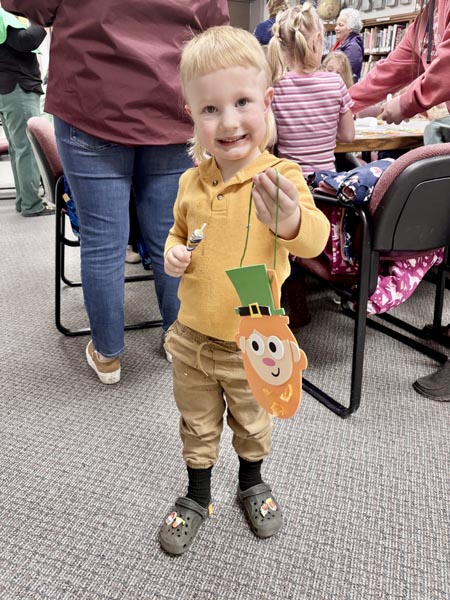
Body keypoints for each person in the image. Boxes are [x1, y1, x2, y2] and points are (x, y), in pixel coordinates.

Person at [159, 25, 330, 555]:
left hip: (256, 339)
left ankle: (251, 481)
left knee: (253, 422)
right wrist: (172, 252)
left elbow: (316, 240)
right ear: (191, 114)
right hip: (192, 339)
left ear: (267, 101)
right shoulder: (190, 182)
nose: (229, 122)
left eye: (242, 102)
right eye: (210, 109)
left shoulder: (281, 175)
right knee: (196, 423)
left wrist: (290, 221)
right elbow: (178, 233)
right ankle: (197, 494)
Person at [3, 0, 229, 384]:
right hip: (171, 105)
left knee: (103, 242)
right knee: (170, 236)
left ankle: (108, 355)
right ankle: (179, 341)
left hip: (91, 100)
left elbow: (29, 6)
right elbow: (215, 28)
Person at [349, 0, 450, 402]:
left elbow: (444, 68)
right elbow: (393, 67)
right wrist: (342, 103)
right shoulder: (425, 15)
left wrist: (404, 103)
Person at [268, 3, 355, 178]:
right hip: (325, 187)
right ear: (316, 41)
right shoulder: (336, 83)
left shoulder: (276, 86)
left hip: (288, 185)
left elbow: (270, 140)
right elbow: (347, 135)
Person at [0, 8, 53, 217]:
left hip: (8, 89)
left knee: (18, 148)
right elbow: (25, 41)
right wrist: (44, 19)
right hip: (17, 88)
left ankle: (25, 200)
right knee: (26, 149)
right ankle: (32, 204)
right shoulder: (3, 14)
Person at [331, 8, 364, 84]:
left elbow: (346, 74)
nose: (336, 28)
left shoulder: (353, 48)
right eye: (336, 25)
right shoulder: (340, 44)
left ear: (351, 28)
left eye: (340, 25)